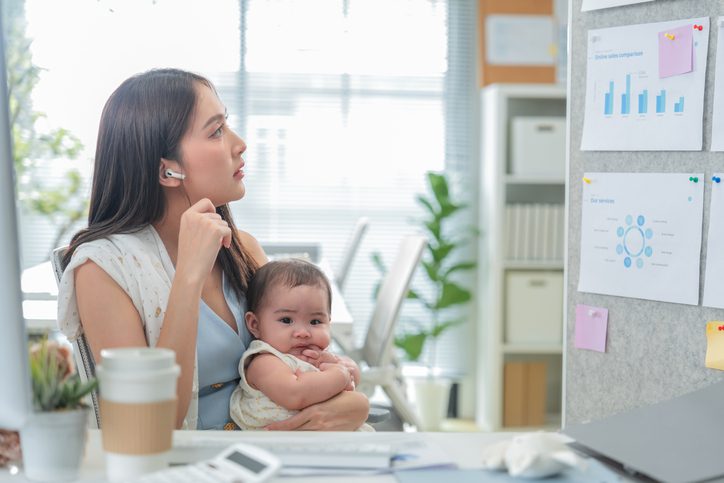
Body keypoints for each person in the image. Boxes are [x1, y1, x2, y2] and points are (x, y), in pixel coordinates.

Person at [56, 68, 369, 430]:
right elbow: (149, 423)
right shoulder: (101, 270)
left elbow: (303, 364)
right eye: (216, 131)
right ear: (167, 172)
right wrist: (189, 274)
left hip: (269, 459)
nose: (239, 144)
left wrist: (353, 404)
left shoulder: (243, 250)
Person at [230, 259, 371, 431]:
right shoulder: (264, 361)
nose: (303, 332)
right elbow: (295, 394)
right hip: (277, 446)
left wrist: (343, 365)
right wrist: (339, 375)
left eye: (315, 321)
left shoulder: (315, 354)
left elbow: (352, 376)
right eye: (287, 320)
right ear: (255, 325)